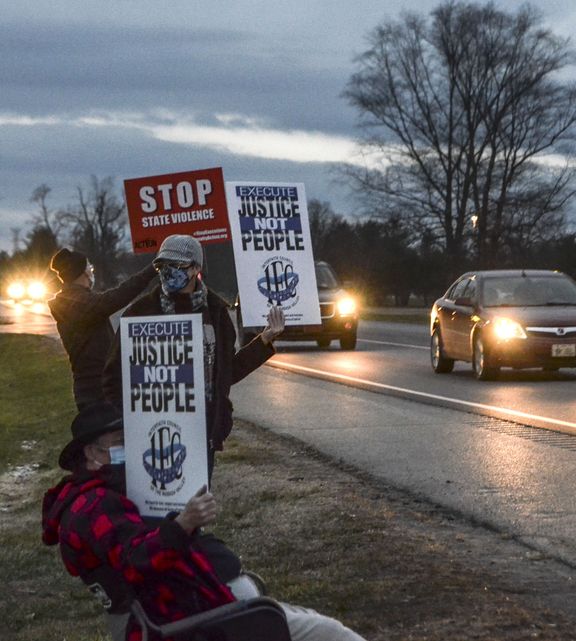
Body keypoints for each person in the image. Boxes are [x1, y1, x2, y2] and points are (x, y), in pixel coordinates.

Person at [41, 403, 366, 641]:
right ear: (92, 454)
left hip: (189, 606)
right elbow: (134, 560)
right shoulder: (93, 506)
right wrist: (182, 524)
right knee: (331, 634)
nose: (130, 447)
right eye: (119, 441)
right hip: (173, 619)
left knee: (305, 620)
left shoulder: (103, 492)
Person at [102, 234, 284, 477]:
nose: (167, 273)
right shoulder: (139, 313)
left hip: (202, 430)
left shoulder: (217, 313)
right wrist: (129, 419)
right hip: (153, 432)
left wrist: (263, 341)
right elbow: (113, 376)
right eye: (162, 266)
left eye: (176, 266)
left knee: (198, 506)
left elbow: (227, 373)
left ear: (196, 268)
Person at [48, 248, 155, 410]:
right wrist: (153, 269)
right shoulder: (78, 305)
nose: (92, 273)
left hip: (92, 387)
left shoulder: (74, 302)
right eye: (89, 269)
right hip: (97, 390)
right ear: (82, 274)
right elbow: (119, 295)